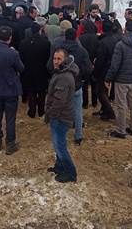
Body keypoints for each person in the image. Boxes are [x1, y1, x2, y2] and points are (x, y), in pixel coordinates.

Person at [48, 28, 92, 145]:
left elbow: (49, 66)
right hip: (76, 85)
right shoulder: (82, 51)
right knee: (77, 111)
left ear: (65, 36)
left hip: (60, 84)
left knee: (59, 107)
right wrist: (82, 78)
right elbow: (88, 68)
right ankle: (78, 135)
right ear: (76, 36)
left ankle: (59, 134)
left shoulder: (58, 51)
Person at [0, 26, 24, 154]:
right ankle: (10, 144)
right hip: (10, 89)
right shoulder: (13, 53)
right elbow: (21, 68)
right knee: (10, 118)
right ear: (10, 38)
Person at [106, 21, 132, 139]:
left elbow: (115, 65)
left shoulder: (120, 45)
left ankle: (121, 129)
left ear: (125, 29)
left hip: (121, 79)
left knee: (120, 104)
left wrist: (109, 78)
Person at [46, 48, 79, 183]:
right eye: (54, 58)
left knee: (60, 146)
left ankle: (70, 173)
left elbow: (59, 101)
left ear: (65, 60)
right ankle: (60, 166)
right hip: (60, 115)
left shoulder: (64, 77)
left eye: (59, 59)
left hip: (61, 117)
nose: (55, 61)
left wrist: (50, 114)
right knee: (57, 143)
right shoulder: (61, 72)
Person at [19, 23, 51, 118]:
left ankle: (32, 111)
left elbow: (21, 58)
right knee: (41, 91)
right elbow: (48, 57)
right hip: (42, 71)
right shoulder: (46, 43)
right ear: (40, 30)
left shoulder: (23, 43)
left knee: (31, 91)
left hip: (28, 71)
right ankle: (41, 110)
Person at [92, 21, 120, 120]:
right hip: (114, 67)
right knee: (105, 90)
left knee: (100, 91)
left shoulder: (103, 42)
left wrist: (95, 72)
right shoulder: (116, 39)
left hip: (104, 69)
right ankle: (104, 110)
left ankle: (109, 112)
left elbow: (100, 60)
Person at [78, 20, 99, 109]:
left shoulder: (81, 38)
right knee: (94, 83)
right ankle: (94, 102)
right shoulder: (97, 38)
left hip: (84, 63)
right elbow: (99, 51)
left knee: (84, 84)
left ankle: (85, 103)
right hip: (94, 62)